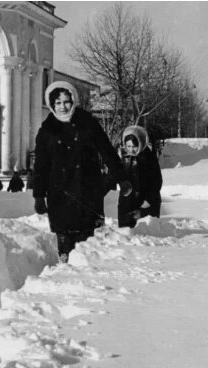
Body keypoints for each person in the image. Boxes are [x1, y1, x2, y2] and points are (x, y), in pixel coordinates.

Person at [33, 81, 132, 263]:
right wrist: (39, 195)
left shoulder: (88, 123)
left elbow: (107, 151)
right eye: (58, 103)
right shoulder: (47, 130)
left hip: (87, 190)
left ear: (74, 100)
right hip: (60, 193)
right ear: (52, 104)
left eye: (67, 101)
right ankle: (65, 272)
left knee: (87, 243)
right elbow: (41, 165)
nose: (63, 107)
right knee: (65, 241)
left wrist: (121, 177)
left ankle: (87, 279)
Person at [117, 125, 163, 228]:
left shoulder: (149, 159)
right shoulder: (123, 159)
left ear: (141, 143)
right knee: (125, 239)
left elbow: (156, 183)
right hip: (126, 205)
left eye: (134, 146)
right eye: (128, 146)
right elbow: (112, 177)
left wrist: (144, 207)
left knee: (145, 239)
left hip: (147, 204)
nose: (131, 150)